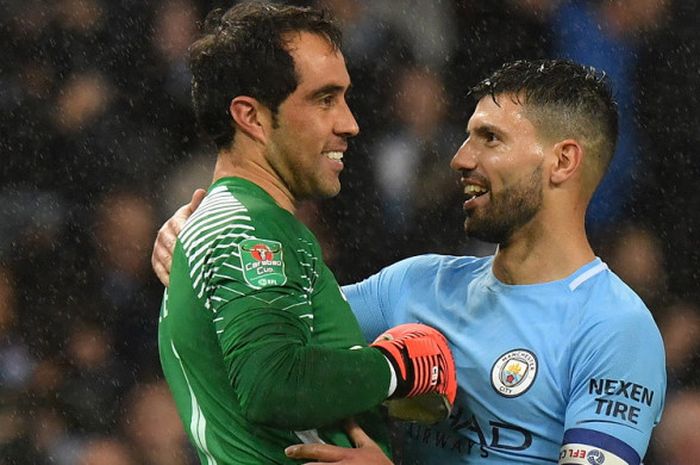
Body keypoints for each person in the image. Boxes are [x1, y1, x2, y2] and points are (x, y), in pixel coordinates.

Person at [154, 59, 666, 465]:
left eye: (490, 138)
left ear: (562, 160)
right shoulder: (415, 286)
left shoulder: (614, 328)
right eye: (468, 136)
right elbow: (273, 330)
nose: (461, 158)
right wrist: (208, 240)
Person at [154, 3, 456, 465]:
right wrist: (395, 369)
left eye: (345, 98)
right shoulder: (251, 227)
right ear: (250, 117)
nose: (349, 123)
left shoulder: (229, 225)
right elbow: (273, 383)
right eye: (324, 99)